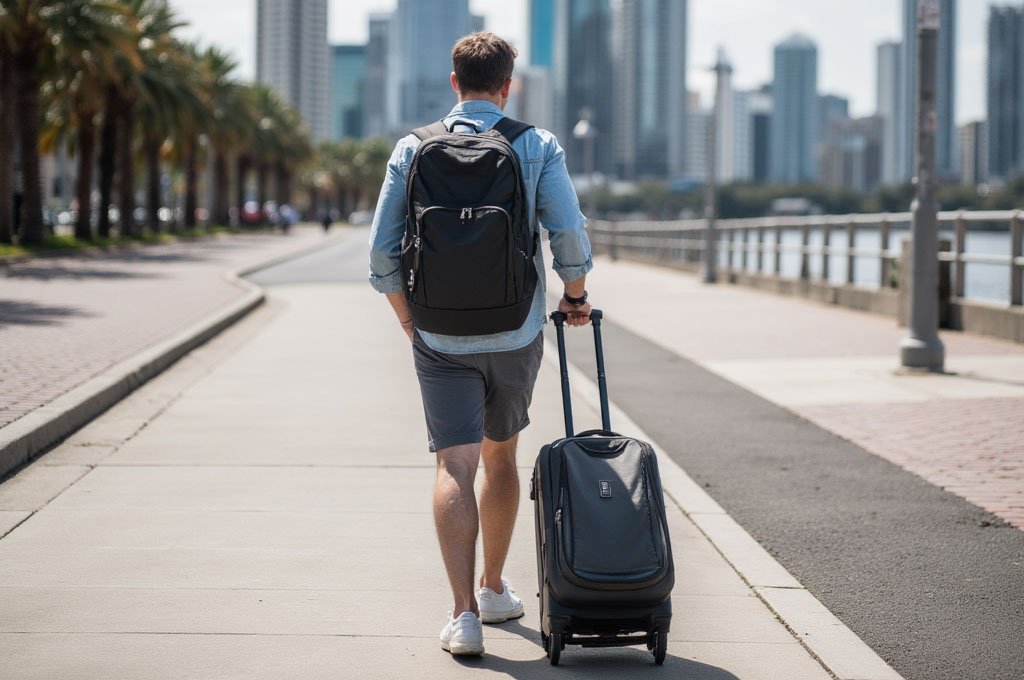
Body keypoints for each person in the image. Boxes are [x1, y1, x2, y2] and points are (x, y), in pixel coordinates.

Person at [368, 32, 593, 657]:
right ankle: (494, 588)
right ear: (507, 86)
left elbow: (381, 254)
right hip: (515, 328)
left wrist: (410, 321)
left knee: (454, 465)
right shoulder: (536, 144)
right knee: (500, 460)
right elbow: (567, 232)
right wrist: (574, 297)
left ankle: (463, 615)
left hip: (438, 332)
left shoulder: (412, 148)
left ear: (454, 81)